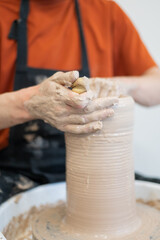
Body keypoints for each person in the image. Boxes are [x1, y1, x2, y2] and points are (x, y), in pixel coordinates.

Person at [0, 0, 160, 204]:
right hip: (16, 171)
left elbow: (157, 86)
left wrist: (119, 85)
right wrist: (30, 104)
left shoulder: (103, 10)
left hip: (99, 169)